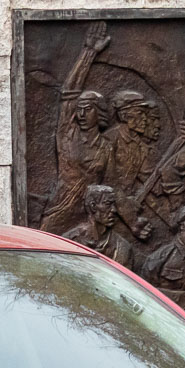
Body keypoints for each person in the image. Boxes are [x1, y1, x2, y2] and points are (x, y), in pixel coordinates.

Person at [40, 22, 112, 233]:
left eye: (87, 109)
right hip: (59, 211)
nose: (80, 114)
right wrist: (88, 53)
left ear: (99, 113)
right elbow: (68, 92)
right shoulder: (67, 135)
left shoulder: (106, 148)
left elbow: (112, 186)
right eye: (78, 109)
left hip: (91, 217)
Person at [62, 184, 137, 269]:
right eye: (108, 204)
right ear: (93, 206)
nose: (114, 210)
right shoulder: (69, 241)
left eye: (114, 205)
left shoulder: (123, 248)